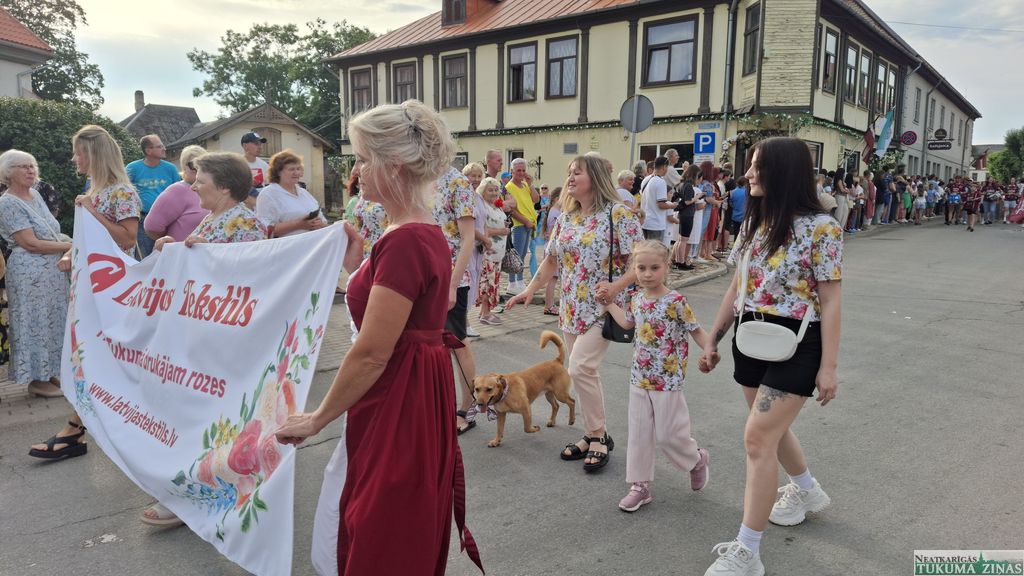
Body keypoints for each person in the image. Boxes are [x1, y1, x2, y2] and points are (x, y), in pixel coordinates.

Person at [275, 100, 482, 576]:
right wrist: (355, 268)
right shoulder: (415, 229)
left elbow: (371, 352)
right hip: (413, 383)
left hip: (397, 390)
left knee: (378, 519)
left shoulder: (404, 238)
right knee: (383, 512)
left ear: (393, 165)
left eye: (364, 159)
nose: (356, 171)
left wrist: (318, 418)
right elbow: (404, 311)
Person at [700, 137, 841, 576]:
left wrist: (829, 367)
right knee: (770, 432)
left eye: (757, 166)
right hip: (751, 337)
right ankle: (806, 490)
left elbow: (831, 300)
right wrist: (713, 338)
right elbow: (736, 287)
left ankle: (748, 552)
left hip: (798, 342)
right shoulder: (754, 223)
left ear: (782, 171)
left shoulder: (822, 228)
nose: (748, 174)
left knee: (757, 438)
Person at [144, 152, 267, 526]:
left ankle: (201, 493)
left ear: (224, 186)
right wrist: (173, 249)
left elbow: (249, 283)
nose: (193, 185)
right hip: (203, 340)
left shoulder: (245, 223)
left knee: (216, 419)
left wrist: (200, 255)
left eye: (201, 180)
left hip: (225, 344)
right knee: (200, 418)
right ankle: (197, 488)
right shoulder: (215, 218)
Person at [506, 153, 643, 472]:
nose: (570, 177)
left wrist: (616, 287)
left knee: (580, 368)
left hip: (603, 307)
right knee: (585, 372)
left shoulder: (618, 214)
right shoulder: (567, 216)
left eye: (577, 172)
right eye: (569, 172)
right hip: (570, 307)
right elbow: (551, 260)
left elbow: (641, 261)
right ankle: (595, 433)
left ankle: (597, 435)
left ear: (595, 177)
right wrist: (530, 289)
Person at [29, 124, 143, 460]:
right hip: (91, 287)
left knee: (104, 356)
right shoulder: (93, 191)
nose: (73, 158)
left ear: (92, 154)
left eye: (78, 152)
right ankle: (79, 428)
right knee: (90, 355)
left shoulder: (121, 192)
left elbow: (127, 239)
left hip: (114, 290)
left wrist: (91, 211)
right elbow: (89, 240)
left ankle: (77, 429)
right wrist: (70, 253)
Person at [602, 240, 713, 512]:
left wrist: (710, 352)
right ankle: (639, 485)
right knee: (639, 434)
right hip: (639, 377)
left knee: (668, 435)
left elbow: (696, 330)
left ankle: (696, 460)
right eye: (641, 268)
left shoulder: (676, 301)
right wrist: (608, 304)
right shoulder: (636, 298)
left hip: (668, 379)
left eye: (654, 268)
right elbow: (627, 322)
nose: (647, 273)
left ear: (667, 267)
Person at [0, 150, 72, 399]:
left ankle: (49, 373)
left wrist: (65, 245)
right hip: (29, 273)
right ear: (8, 172)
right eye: (23, 166)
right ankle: (37, 380)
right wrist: (72, 245)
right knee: (35, 322)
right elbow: (30, 243)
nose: (30, 170)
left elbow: (50, 232)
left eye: (32, 166)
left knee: (53, 321)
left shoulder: (36, 195)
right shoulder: (7, 203)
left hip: (52, 272)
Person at [433, 164, 479, 436]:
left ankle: (468, 408)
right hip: (424, 277)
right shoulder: (418, 177)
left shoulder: (457, 183)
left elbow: (468, 238)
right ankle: (438, 405)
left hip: (452, 277)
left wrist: (452, 285)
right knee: (432, 345)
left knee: (457, 342)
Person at [125, 134, 180, 257]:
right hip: (143, 220)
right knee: (146, 257)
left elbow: (179, 193)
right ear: (148, 151)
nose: (164, 149)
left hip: (168, 220)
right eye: (159, 146)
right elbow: (124, 192)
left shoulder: (170, 168)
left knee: (167, 255)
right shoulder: (132, 168)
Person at [143, 145, 210, 242]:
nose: (198, 169)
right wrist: (171, 241)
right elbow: (152, 227)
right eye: (193, 165)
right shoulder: (177, 190)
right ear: (184, 167)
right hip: (181, 249)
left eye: (204, 165)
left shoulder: (212, 190)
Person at [256, 150, 327, 237]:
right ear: (278, 172)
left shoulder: (304, 193)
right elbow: (264, 230)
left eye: (298, 169)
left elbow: (324, 222)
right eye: (291, 169)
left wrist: (319, 224)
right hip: (288, 244)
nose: (296, 173)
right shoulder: (268, 194)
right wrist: (298, 224)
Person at [475, 177, 509, 326]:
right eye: (490, 190)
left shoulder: (496, 205)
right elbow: (482, 229)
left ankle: (485, 311)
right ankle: (485, 314)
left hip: (498, 252)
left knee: (493, 283)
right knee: (487, 283)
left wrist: (504, 224)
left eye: (496, 190)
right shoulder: (482, 207)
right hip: (488, 252)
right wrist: (501, 231)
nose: (494, 192)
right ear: (483, 191)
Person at [504, 158, 540, 292]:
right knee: (516, 254)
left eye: (523, 170)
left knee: (523, 254)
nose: (521, 173)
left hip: (529, 224)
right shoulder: (509, 187)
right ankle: (512, 283)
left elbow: (536, 199)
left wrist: (531, 184)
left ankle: (519, 281)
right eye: (518, 170)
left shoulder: (525, 184)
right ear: (512, 171)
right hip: (519, 224)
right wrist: (525, 221)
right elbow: (512, 210)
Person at [640, 157, 676, 242]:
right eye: (667, 167)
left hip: (645, 222)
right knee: (655, 249)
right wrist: (672, 206)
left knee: (646, 248)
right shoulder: (660, 181)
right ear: (664, 167)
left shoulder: (646, 179)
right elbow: (661, 204)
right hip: (656, 223)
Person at [673, 165, 701, 270]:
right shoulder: (688, 185)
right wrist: (697, 197)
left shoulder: (681, 184)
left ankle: (678, 260)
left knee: (680, 239)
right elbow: (687, 201)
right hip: (687, 214)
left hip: (682, 213)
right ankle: (681, 262)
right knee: (684, 240)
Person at [542, 187, 562, 316]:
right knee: (552, 279)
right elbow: (553, 232)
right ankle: (549, 305)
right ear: (557, 199)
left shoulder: (554, 211)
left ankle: (549, 305)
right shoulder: (556, 213)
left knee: (552, 278)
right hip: (553, 250)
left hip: (550, 248)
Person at [241, 131, 270, 209]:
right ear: (245, 146)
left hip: (261, 207)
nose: (260, 147)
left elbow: (269, 187)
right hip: (244, 209)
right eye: (256, 144)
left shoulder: (264, 165)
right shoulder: (237, 165)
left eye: (260, 144)